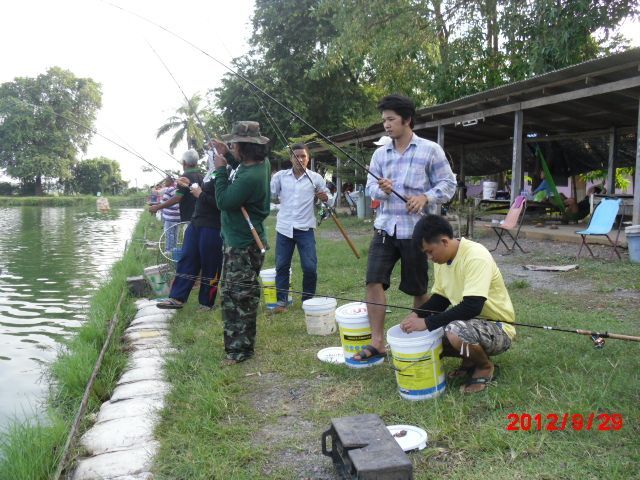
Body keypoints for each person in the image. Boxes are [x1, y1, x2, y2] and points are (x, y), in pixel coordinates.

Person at [352, 93, 456, 363]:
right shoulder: (380, 154)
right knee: (373, 281)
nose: (386, 125)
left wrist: (426, 197)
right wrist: (382, 190)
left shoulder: (429, 150)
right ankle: (377, 343)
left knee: (418, 288)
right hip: (386, 227)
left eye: (391, 119)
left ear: (407, 119)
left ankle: (416, 339)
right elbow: (371, 186)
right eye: (384, 120)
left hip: (417, 232)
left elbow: (448, 184)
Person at [400, 214, 515, 394]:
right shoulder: (442, 259)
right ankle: (469, 360)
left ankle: (484, 366)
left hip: (498, 329)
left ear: (444, 241)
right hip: (470, 323)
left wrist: (427, 323)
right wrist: (418, 314)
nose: (429, 257)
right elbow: (441, 298)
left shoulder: (475, 256)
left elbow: (472, 306)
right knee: (431, 337)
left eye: (430, 251)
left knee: (454, 331)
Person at [212, 121, 271, 365]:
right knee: (240, 293)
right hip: (247, 240)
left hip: (241, 246)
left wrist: (219, 171)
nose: (231, 146)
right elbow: (241, 168)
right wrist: (227, 155)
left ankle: (239, 351)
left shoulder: (249, 177)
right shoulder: (260, 165)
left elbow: (224, 200)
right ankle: (241, 347)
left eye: (234, 144)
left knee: (237, 297)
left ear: (245, 147)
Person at [270, 144, 329, 313]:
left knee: (310, 267)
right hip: (284, 228)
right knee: (281, 266)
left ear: (308, 158)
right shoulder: (280, 177)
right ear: (290, 159)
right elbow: (272, 196)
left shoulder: (316, 178)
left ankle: (308, 300)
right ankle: (281, 302)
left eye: (303, 156)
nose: (300, 159)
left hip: (305, 229)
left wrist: (324, 198)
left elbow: (326, 201)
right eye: (296, 156)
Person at [156, 165, 223, 311]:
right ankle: (177, 297)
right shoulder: (211, 171)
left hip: (213, 225)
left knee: (210, 264)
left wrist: (201, 194)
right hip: (196, 221)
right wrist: (190, 185)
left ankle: (206, 302)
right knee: (187, 258)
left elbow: (223, 202)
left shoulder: (227, 173)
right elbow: (202, 191)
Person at [149, 149, 203, 222]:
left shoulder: (183, 178)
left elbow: (177, 198)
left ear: (184, 163)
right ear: (196, 163)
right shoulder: (201, 177)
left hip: (190, 219)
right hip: (201, 217)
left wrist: (157, 207)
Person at [160, 176, 180, 254]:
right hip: (177, 217)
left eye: (166, 181)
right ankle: (174, 250)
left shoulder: (169, 190)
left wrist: (155, 206)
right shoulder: (178, 189)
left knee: (169, 233)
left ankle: (168, 250)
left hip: (170, 217)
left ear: (170, 182)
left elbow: (163, 202)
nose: (165, 183)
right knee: (175, 234)